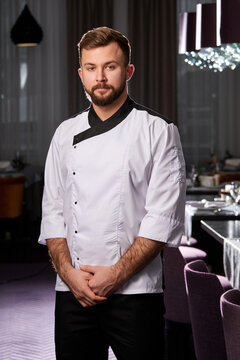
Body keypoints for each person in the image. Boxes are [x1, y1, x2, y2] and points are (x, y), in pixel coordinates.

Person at [38, 26, 186, 360]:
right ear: (81, 74)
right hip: (73, 293)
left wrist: (115, 276)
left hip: (135, 293)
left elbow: (161, 220)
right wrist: (70, 277)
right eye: (91, 68)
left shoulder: (158, 131)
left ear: (128, 71)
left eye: (111, 66)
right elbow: (53, 215)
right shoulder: (64, 135)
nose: (100, 77)